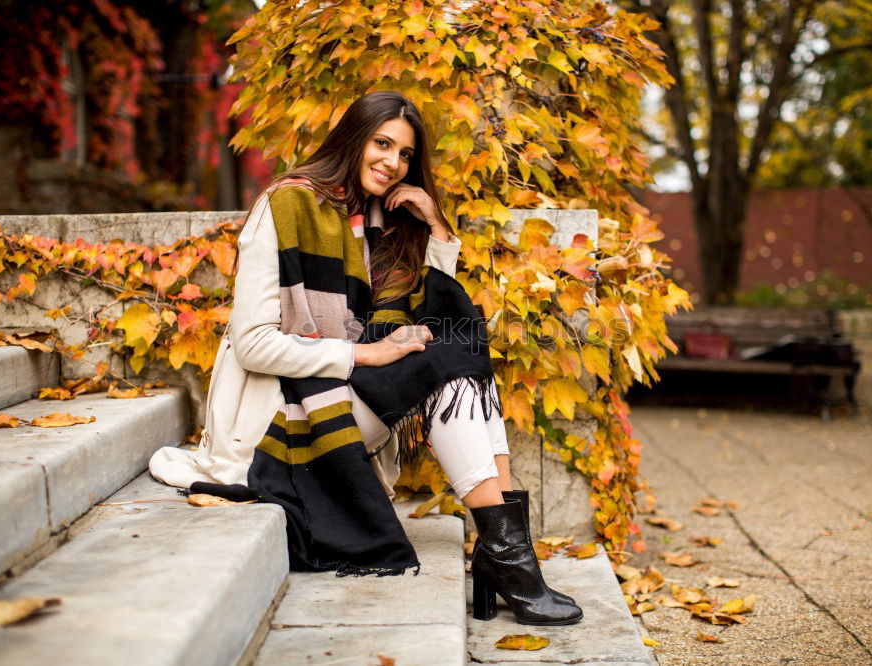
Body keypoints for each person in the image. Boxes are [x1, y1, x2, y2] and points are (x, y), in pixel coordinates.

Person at [148, 91, 582, 626]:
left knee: (457, 339)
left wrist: (436, 227)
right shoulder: (286, 205)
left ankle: (508, 554)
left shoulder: (379, 222)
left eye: (404, 154)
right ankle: (509, 559)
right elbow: (255, 343)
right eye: (382, 143)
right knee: (446, 359)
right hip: (282, 419)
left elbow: (436, 305)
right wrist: (366, 353)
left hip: (342, 405)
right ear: (354, 138)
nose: (392, 162)